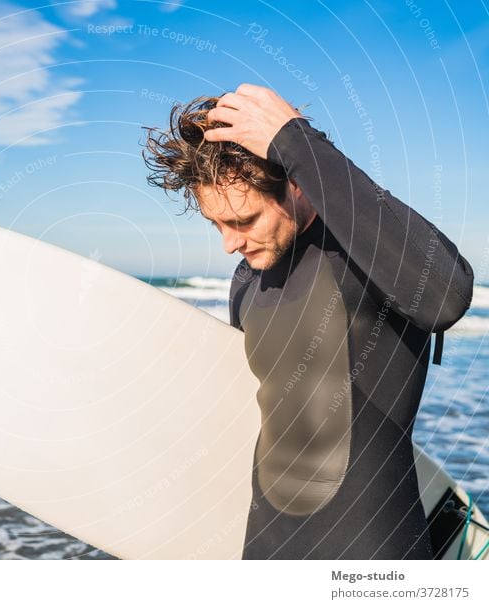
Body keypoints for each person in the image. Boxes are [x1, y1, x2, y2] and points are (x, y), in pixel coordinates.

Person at [142, 83, 474, 559]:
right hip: (266, 551)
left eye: (243, 220)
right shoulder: (246, 283)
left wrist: (295, 140)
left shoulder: (365, 260)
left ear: (296, 185)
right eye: (217, 224)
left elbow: (445, 297)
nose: (230, 244)